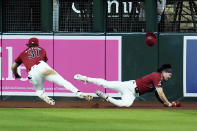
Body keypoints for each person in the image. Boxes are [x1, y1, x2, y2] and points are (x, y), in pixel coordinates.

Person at [11, 37, 93, 105]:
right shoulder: (41, 49)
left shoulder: (23, 53)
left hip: (32, 72)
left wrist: (16, 75)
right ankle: (79, 93)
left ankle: (45, 97)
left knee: (39, 90)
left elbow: (13, 67)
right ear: (37, 44)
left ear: (29, 45)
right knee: (63, 82)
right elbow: (44, 60)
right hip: (43, 66)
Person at [74, 64, 175, 107]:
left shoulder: (160, 81)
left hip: (133, 94)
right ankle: (84, 78)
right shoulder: (157, 76)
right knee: (106, 83)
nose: (170, 77)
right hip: (129, 86)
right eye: (169, 75)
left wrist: (165, 102)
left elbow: (159, 95)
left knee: (124, 104)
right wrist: (168, 103)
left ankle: (105, 96)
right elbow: (160, 93)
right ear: (164, 72)